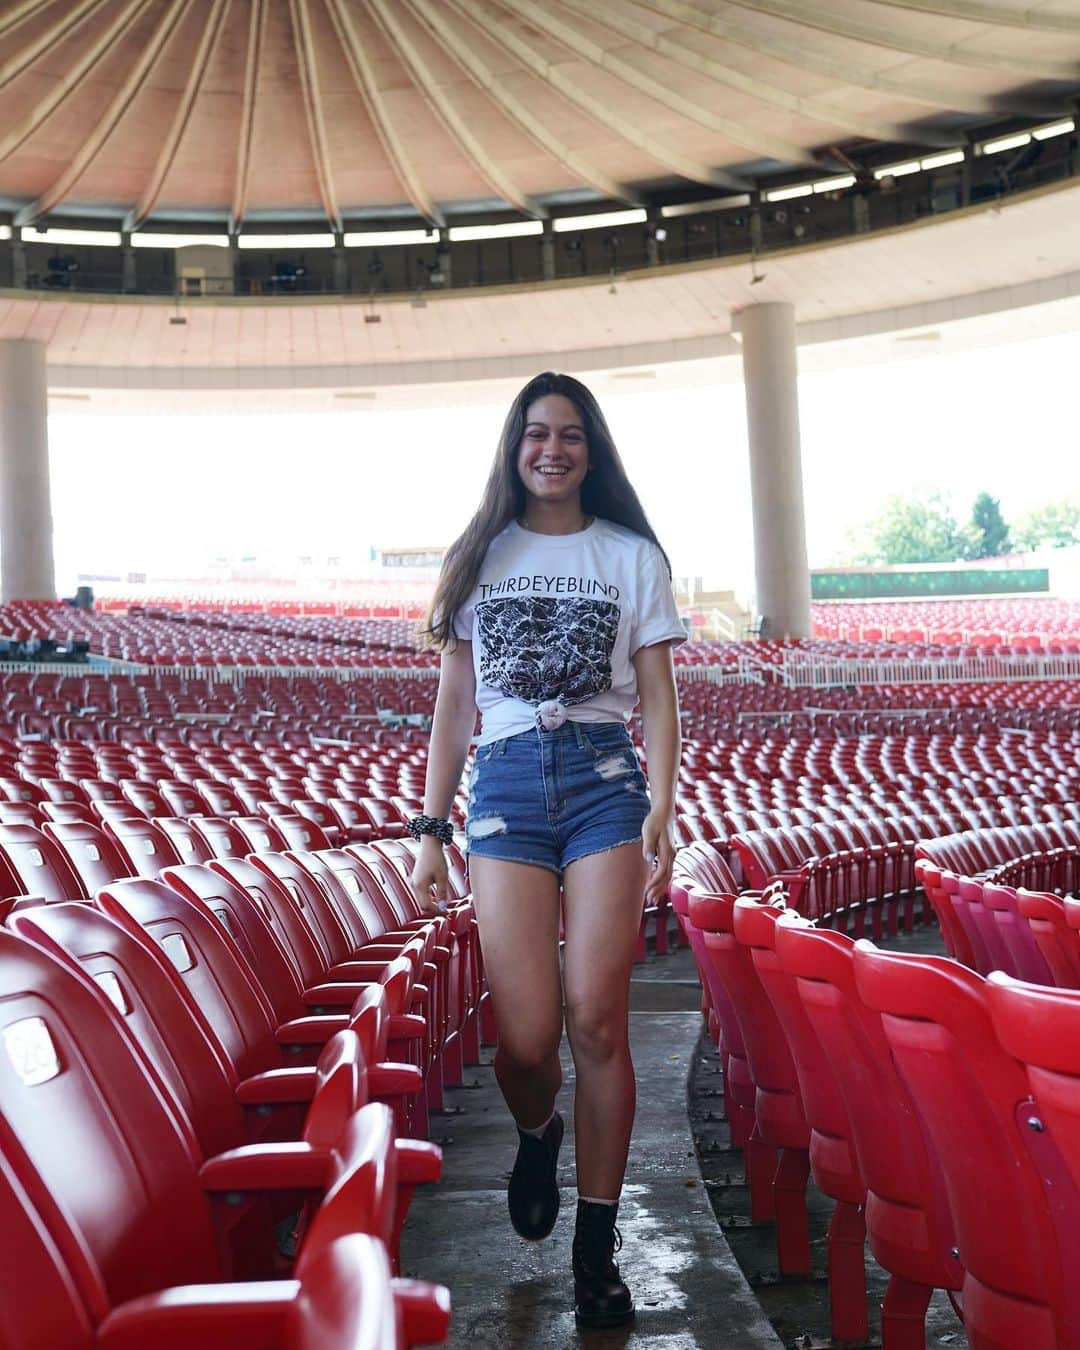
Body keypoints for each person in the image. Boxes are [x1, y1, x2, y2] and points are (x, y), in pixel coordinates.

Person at [408, 370, 682, 1328]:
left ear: (591, 450)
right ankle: (538, 1129)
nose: (552, 449)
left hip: (606, 784)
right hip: (509, 789)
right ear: (514, 448)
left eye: (570, 434)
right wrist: (431, 828)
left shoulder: (630, 554)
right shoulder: (480, 553)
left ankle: (597, 1245)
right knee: (525, 1038)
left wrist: (664, 804)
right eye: (536, 433)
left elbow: (656, 692)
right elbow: (454, 703)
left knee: (595, 1018)